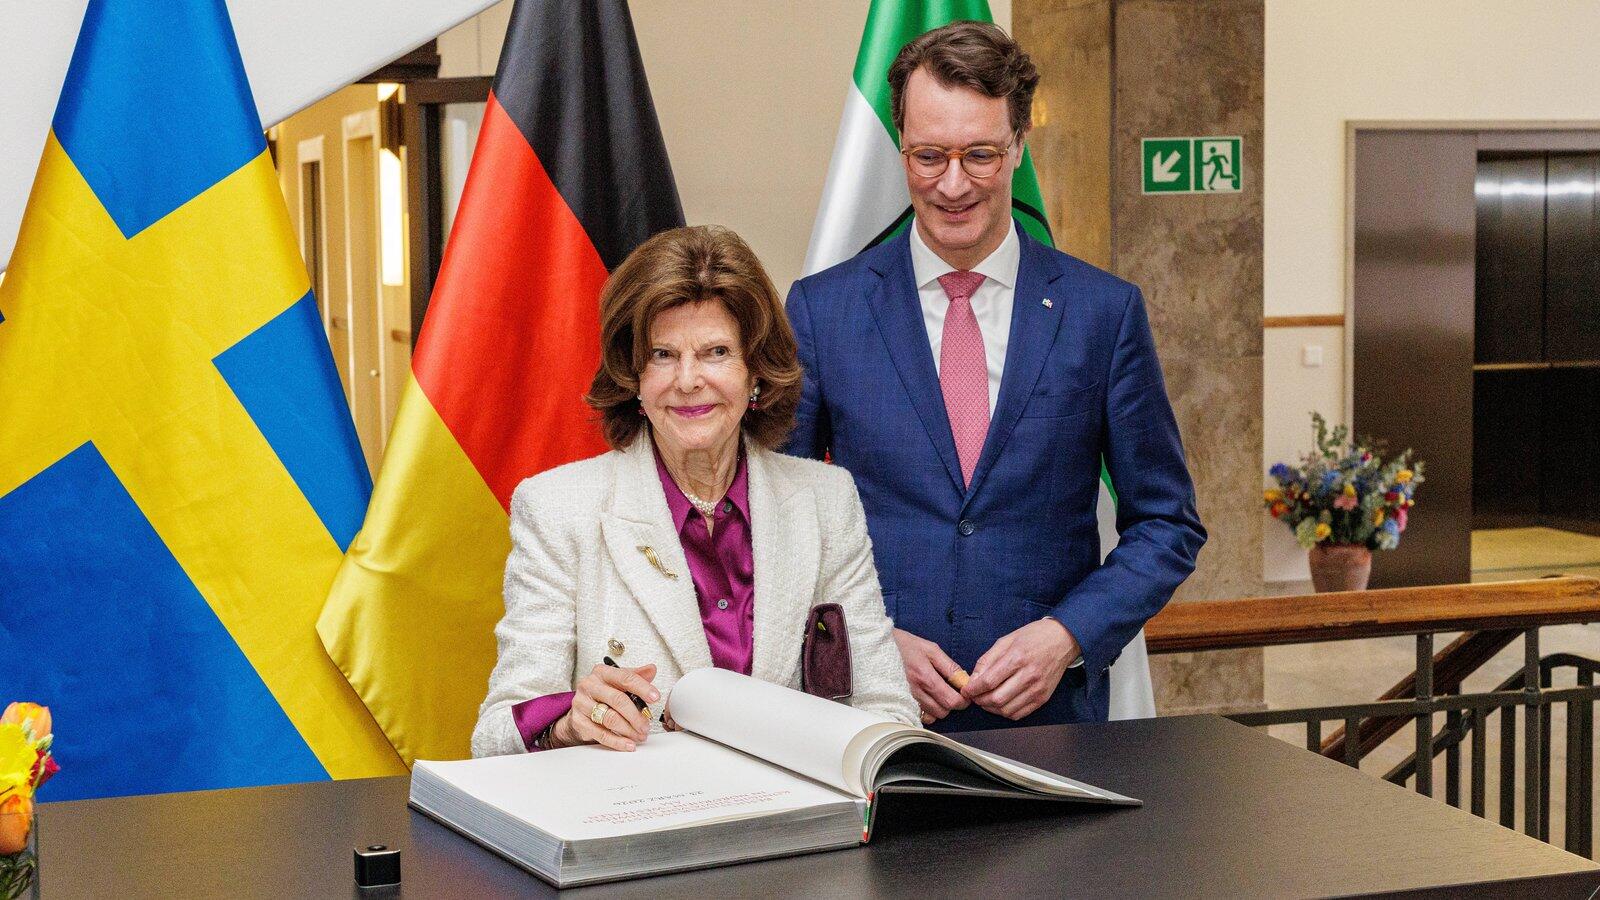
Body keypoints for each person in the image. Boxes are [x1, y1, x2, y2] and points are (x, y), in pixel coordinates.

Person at [784, 22, 1206, 731]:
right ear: (900, 146)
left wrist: (1067, 635)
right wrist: (865, 641)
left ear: (1018, 146)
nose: (953, 184)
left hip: (1054, 723)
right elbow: (774, 521)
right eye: (929, 156)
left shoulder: (1102, 313)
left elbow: (1167, 523)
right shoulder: (823, 311)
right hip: (874, 718)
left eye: (979, 154)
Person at [472, 225, 918, 756]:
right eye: (662, 354)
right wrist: (568, 721)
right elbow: (494, 736)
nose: (687, 380)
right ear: (634, 376)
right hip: (634, 806)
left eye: (716, 352)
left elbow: (888, 709)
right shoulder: (556, 508)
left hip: (793, 806)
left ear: (756, 372)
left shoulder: (826, 500)